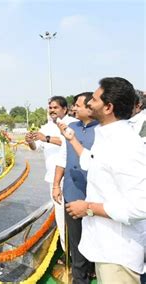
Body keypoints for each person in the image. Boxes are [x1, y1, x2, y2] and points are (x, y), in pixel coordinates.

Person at [60, 77, 145, 283]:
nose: (89, 102)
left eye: (95, 99)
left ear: (108, 107)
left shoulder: (126, 144)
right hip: (105, 246)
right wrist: (72, 139)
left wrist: (88, 208)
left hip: (118, 252)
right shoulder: (108, 136)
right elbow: (92, 162)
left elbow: (141, 206)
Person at [53, 92, 97, 283]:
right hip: (72, 193)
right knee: (76, 243)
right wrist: (56, 185)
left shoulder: (104, 130)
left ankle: (93, 270)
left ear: (90, 108)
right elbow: (62, 157)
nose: (74, 108)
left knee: (97, 241)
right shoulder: (70, 127)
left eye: (77, 105)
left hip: (96, 198)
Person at [25, 96, 77, 250]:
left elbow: (69, 143)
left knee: (75, 218)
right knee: (61, 218)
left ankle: (80, 258)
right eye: (50, 108)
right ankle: (68, 254)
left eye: (55, 107)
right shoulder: (45, 127)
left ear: (64, 109)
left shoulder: (72, 124)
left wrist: (46, 138)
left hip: (71, 178)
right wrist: (30, 141)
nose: (52, 110)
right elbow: (36, 148)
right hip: (53, 179)